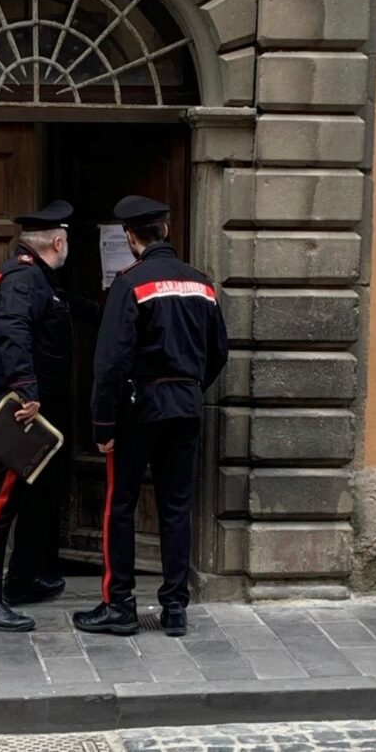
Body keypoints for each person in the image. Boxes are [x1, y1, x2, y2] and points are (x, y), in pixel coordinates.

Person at [73, 195, 229, 637]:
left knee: (120, 505)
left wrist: (103, 424)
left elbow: (111, 362)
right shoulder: (202, 284)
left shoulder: (130, 283)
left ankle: (120, 605)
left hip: (139, 409)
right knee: (176, 507)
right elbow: (219, 352)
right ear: (166, 230)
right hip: (186, 407)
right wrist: (191, 389)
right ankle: (175, 609)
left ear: (130, 236)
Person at [0, 200, 99, 632]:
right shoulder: (25, 278)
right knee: (2, 500)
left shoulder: (38, 278)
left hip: (35, 408)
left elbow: (67, 306)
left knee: (34, 494)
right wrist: (26, 389)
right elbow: (14, 330)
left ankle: (23, 580)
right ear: (58, 242)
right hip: (19, 411)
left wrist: (116, 309)